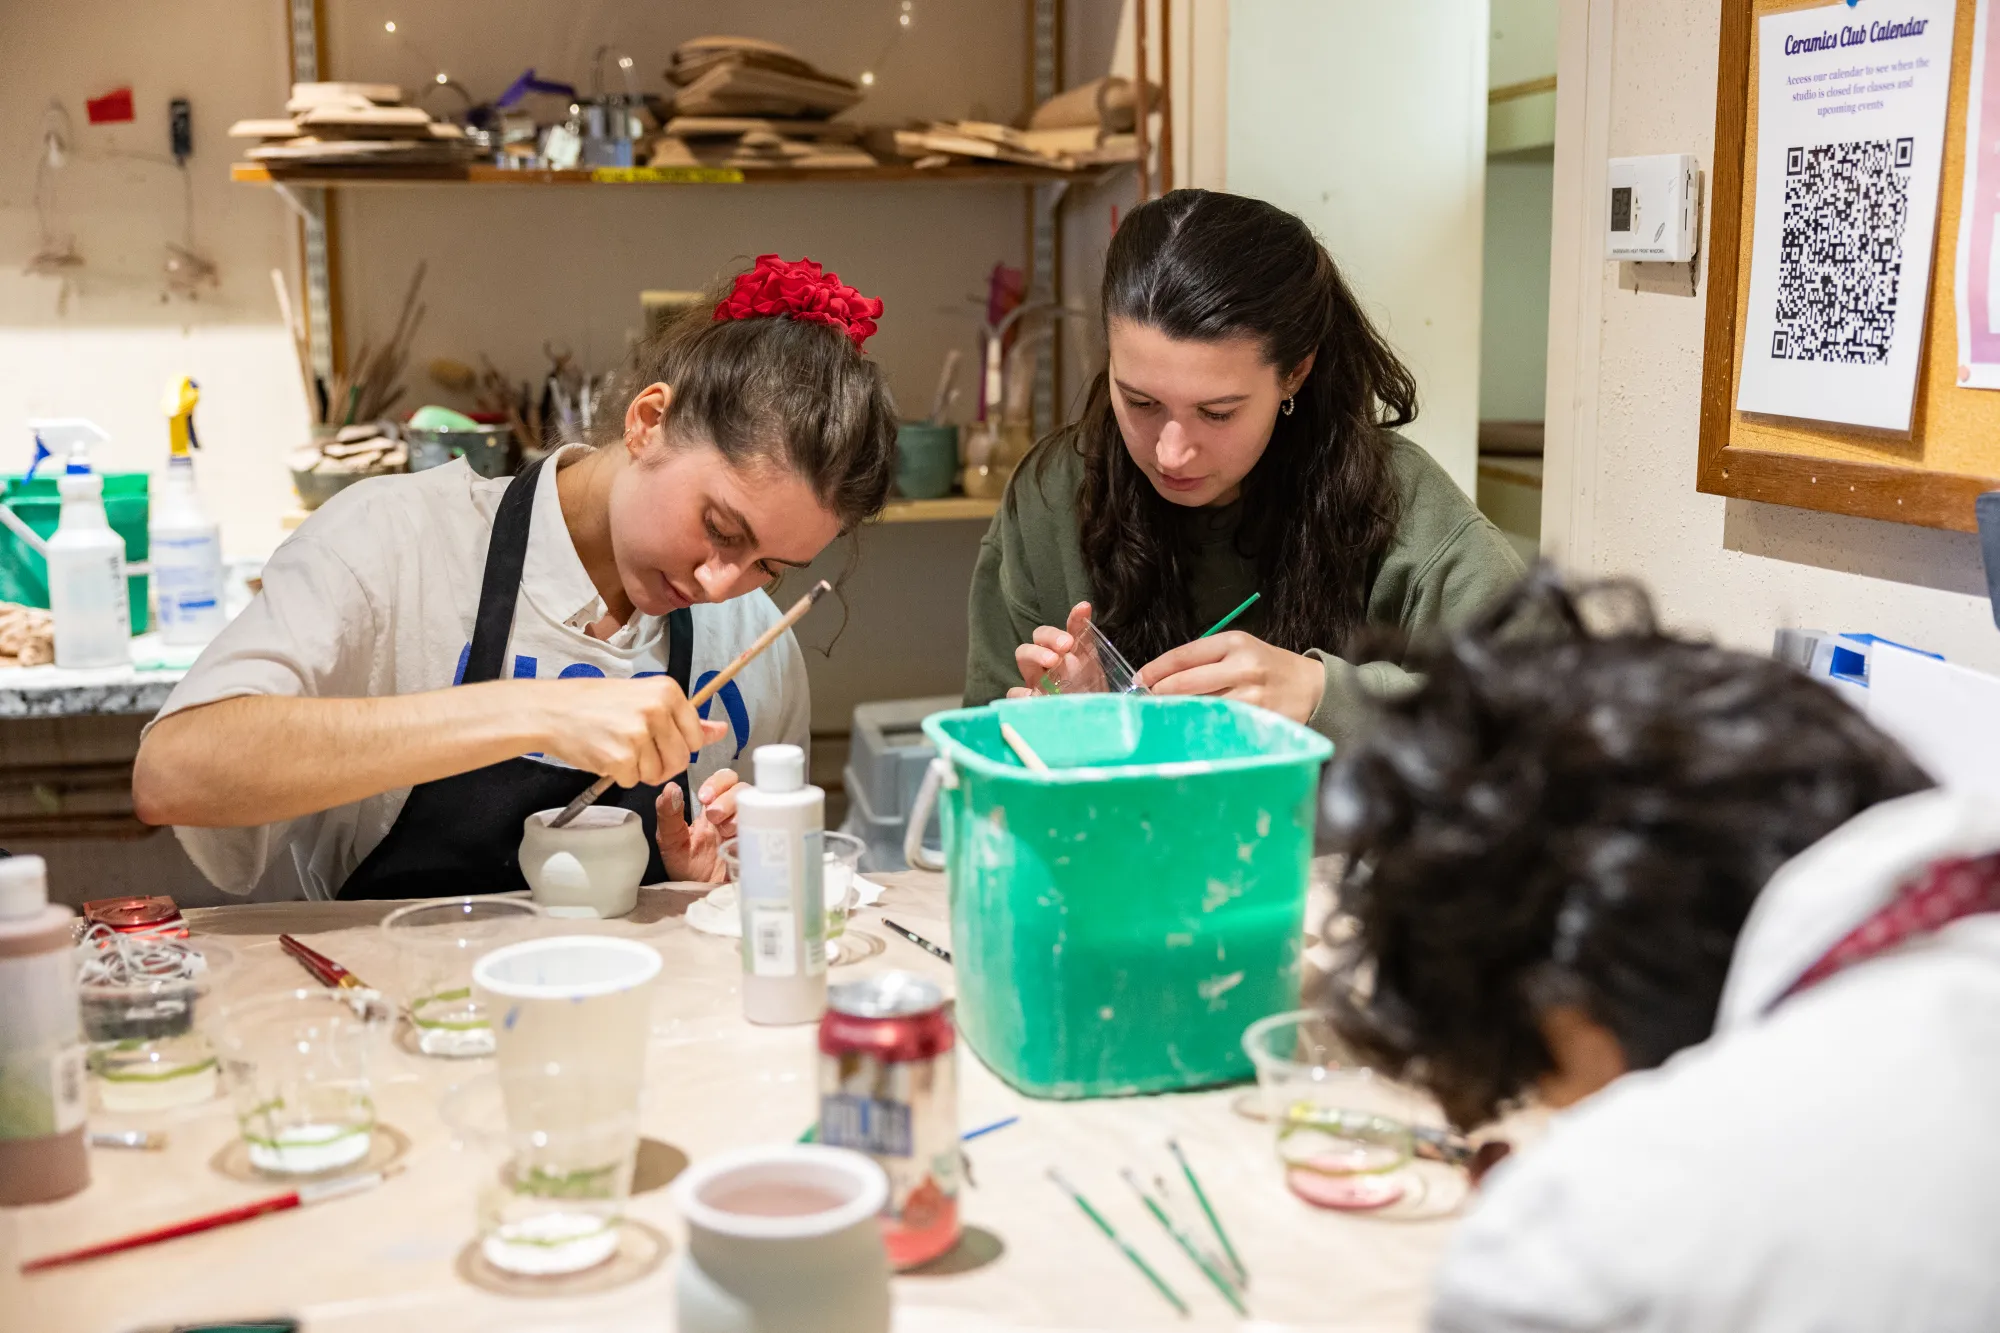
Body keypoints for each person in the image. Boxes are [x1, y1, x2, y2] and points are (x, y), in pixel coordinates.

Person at [1319, 569, 2000, 1331]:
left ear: (1564, 1010)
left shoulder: (1582, 1252)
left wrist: (1584, 1193)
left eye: (1535, 1089)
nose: (1554, 1116)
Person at [132, 255, 896, 901]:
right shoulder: (397, 545)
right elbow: (174, 771)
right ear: (647, 421)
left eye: (770, 566)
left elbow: (761, 904)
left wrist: (719, 876)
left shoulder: (753, 641)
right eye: (722, 528)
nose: (722, 581)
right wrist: (535, 711)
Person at [963, 189, 1522, 739]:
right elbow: (977, 750)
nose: (1171, 453)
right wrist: (1076, 736)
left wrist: (1322, 696)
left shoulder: (1400, 504)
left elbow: (1534, 715)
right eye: (1140, 402)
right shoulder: (1052, 495)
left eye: (1217, 413)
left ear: (1294, 373)